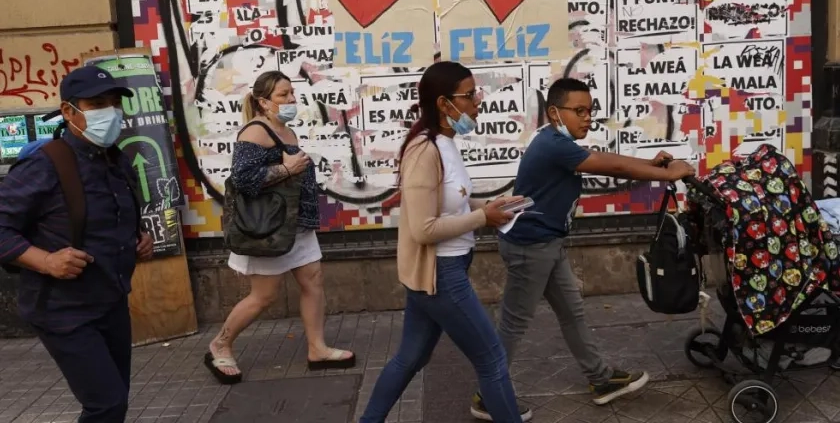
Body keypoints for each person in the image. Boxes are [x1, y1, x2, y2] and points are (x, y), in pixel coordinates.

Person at [469, 78, 697, 420]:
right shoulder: (552, 144)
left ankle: (601, 379)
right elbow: (611, 165)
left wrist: (651, 165)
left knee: (572, 311)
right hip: (531, 247)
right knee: (514, 322)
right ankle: (488, 395)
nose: (587, 118)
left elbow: (606, 161)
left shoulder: (559, 143)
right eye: (578, 111)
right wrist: (665, 174)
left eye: (590, 111)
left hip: (548, 243)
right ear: (553, 113)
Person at [360, 61, 528, 423]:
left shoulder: (446, 143)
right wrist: (483, 218)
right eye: (468, 96)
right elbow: (423, 229)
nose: (476, 103)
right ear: (443, 103)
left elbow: (453, 202)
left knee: (412, 357)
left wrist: (491, 206)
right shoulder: (424, 152)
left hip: (443, 272)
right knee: (492, 358)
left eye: (475, 94)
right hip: (441, 275)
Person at [0, 66, 154, 422]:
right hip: (63, 310)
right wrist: (45, 260)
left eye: (115, 103)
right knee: (107, 404)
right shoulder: (44, 164)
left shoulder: (117, 159)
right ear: (69, 111)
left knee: (116, 399)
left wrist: (138, 239)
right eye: (97, 103)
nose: (110, 112)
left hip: (111, 300)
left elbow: (116, 217)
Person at [205, 70, 355, 384]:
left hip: (294, 224)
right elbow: (243, 180)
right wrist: (286, 168)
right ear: (262, 101)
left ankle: (317, 348)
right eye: (282, 95)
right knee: (264, 295)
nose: (290, 100)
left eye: (291, 93)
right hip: (268, 228)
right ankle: (220, 344)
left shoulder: (283, 128)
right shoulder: (255, 131)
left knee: (313, 282)